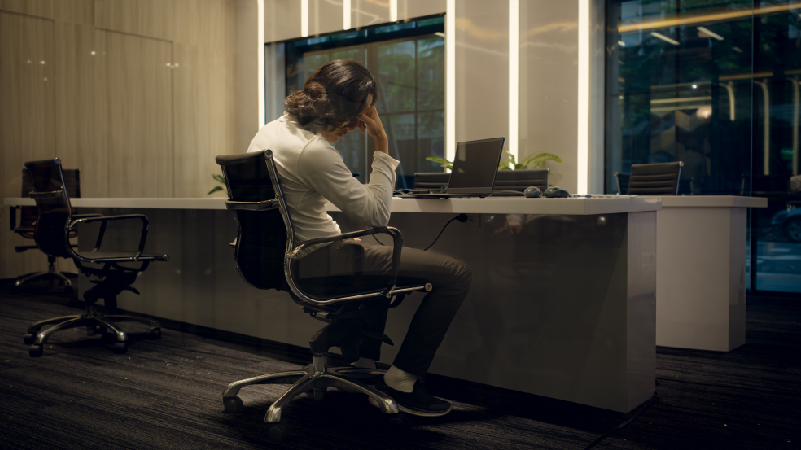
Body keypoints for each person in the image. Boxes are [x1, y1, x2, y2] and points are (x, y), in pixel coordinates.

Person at [246, 59, 471, 415]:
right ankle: (402, 378)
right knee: (455, 273)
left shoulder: (270, 132)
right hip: (317, 260)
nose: (360, 126)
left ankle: (364, 366)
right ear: (340, 109)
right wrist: (382, 143)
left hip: (290, 256)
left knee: (368, 253)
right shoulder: (312, 151)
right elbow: (377, 215)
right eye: (362, 114)